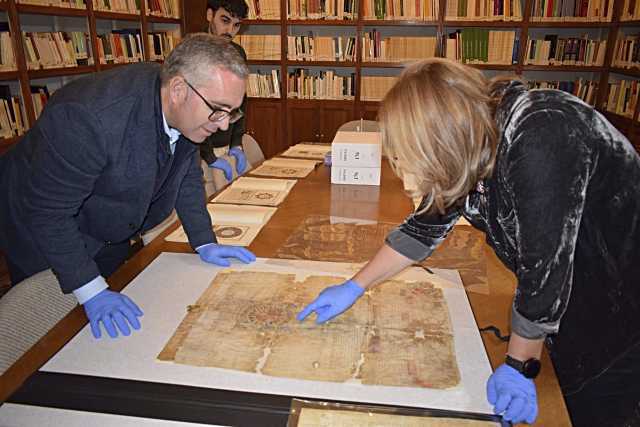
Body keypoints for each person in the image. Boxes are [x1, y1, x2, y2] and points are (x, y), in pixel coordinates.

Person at [297, 58, 640, 426]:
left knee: (586, 407)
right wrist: (355, 285)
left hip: (622, 308)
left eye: (411, 159)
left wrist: (518, 366)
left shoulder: (540, 132)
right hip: (568, 301)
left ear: (441, 141)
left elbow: (543, 272)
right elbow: (422, 229)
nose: (408, 177)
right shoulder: (472, 141)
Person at [0, 34, 256, 340]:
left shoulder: (186, 110)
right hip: (38, 222)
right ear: (177, 90)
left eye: (233, 112)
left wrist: (204, 241)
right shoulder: (88, 119)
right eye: (219, 109)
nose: (225, 125)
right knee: (50, 328)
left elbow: (185, 175)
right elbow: (48, 214)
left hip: (105, 216)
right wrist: (92, 290)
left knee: (113, 322)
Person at [201, 0, 250, 181]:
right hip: (197, 152)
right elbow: (192, 110)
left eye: (236, 25)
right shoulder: (192, 51)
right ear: (209, 15)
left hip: (226, 143)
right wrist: (208, 155)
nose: (230, 30)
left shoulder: (238, 53)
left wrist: (236, 143)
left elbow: (242, 100)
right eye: (225, 20)